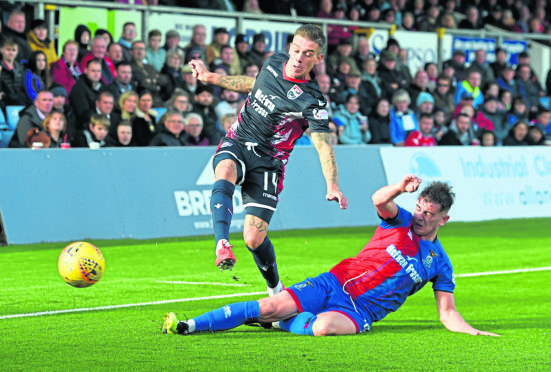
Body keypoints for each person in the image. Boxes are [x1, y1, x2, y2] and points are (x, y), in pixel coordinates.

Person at [162, 174, 500, 338]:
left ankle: (281, 322)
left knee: (323, 328)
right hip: (334, 282)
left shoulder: (439, 263)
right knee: (268, 305)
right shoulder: (401, 220)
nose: (421, 216)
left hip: (361, 309)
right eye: (420, 208)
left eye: (430, 213)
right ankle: (189, 326)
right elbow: (378, 200)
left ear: (445, 219)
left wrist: (472, 331)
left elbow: (447, 313)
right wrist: (400, 188)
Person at [189, 24, 348, 295]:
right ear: (290, 48)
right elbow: (252, 85)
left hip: (269, 162)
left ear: (318, 59)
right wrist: (210, 77)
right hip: (239, 139)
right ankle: (222, 244)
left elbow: (323, 146)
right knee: (225, 169)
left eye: (308, 54)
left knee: (253, 238)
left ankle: (275, 288)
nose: (299, 57)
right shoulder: (273, 62)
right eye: (296, 50)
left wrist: (332, 185)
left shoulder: (313, 102)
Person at [69, 59, 105, 127]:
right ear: (86, 70)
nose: (96, 74)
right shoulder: (78, 88)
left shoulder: (104, 87)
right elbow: (83, 114)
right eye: (93, 71)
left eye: (98, 71)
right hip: (83, 127)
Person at [0, 38, 27, 109]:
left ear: (17, 51)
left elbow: (23, 87)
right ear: (1, 50)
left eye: (13, 50)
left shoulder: (21, 68)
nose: (11, 53)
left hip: (19, 104)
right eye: (8, 50)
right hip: (3, 105)